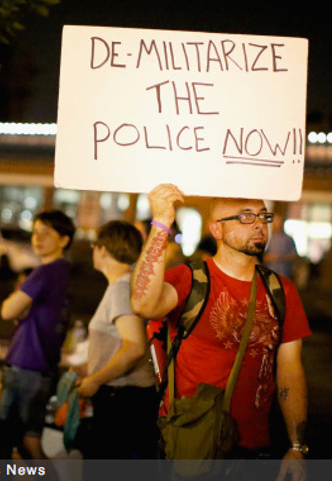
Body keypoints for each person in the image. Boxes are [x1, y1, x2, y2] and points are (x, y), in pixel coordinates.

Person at [131, 184, 310, 480]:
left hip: (255, 450)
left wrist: (296, 445)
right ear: (216, 230)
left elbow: (290, 371)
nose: (258, 225)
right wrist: (161, 221)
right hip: (192, 442)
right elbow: (143, 304)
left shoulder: (282, 291)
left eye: (263, 217)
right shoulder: (190, 279)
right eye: (245, 217)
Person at [0, 210, 76, 460]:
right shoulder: (63, 271)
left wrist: (19, 302)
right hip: (41, 367)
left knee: (4, 444)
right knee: (28, 442)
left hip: (26, 366)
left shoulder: (45, 271)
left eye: (46, 233)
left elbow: (8, 310)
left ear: (64, 240)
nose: (37, 238)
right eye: (36, 232)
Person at [76, 220, 158, 459]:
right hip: (126, 398)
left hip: (123, 400)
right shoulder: (125, 285)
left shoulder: (121, 289)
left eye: (95, 245)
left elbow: (133, 348)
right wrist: (87, 368)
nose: (93, 250)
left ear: (103, 249)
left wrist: (94, 379)